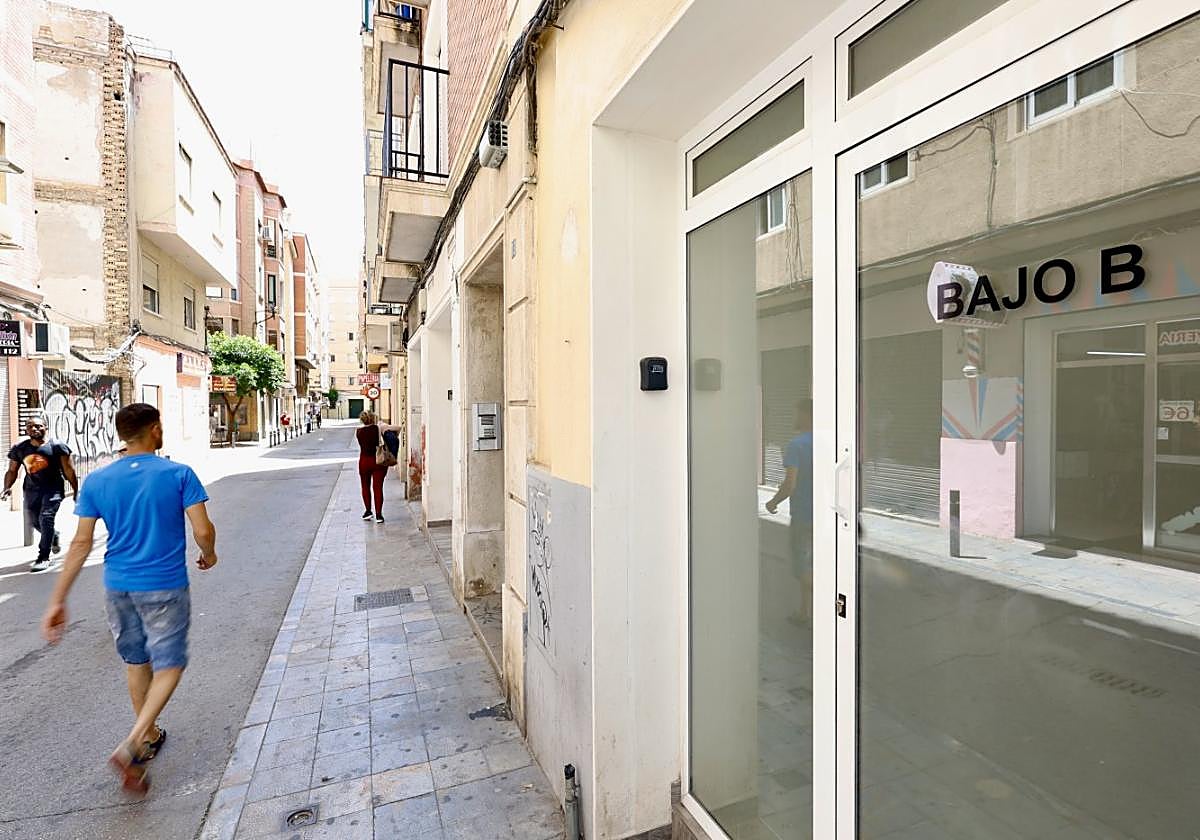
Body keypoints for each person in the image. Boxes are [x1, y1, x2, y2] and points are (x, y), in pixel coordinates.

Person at [41, 403, 217, 794]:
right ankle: (134, 741)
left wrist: (58, 599)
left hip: (118, 585)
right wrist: (209, 555)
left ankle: (149, 735)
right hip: (164, 584)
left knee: (137, 659)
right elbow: (202, 530)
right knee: (170, 664)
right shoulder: (178, 474)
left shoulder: (98, 481)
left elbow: (81, 542)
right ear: (155, 429)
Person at [2, 415, 79, 572]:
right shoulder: (20, 449)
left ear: (46, 428)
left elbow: (69, 470)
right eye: (30, 426)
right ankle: (53, 535)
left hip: (53, 489)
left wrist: (76, 490)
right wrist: (6, 487)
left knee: (46, 517)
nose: (35, 429)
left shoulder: (57, 446)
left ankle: (43, 557)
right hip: (31, 490)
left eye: (38, 426)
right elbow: (12, 470)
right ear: (26, 430)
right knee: (35, 521)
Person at [765, 399, 814, 626]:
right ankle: (810, 610)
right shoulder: (827, 441)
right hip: (824, 515)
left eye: (797, 413)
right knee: (818, 562)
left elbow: (790, 484)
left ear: (806, 416)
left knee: (802, 564)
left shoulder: (797, 445)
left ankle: (807, 612)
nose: (795, 418)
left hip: (804, 515)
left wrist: (773, 502)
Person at [357, 410, 398, 523]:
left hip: (364, 461)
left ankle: (367, 511)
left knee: (365, 487)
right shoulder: (378, 428)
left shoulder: (359, 431)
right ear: (373, 418)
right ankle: (379, 515)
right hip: (378, 461)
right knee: (378, 488)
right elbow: (397, 428)